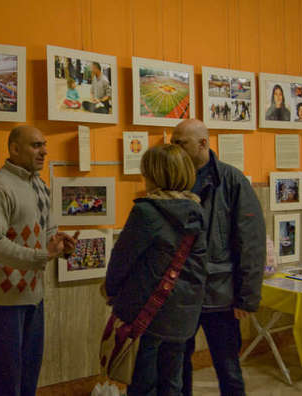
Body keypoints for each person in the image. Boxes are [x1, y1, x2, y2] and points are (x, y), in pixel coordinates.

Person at [0, 125, 78, 396]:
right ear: (14, 149)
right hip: (2, 300)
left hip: (34, 295)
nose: (44, 151)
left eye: (44, 145)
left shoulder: (40, 186)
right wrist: (41, 256)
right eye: (36, 145)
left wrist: (61, 246)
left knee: (29, 374)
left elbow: (46, 235)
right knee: (6, 379)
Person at [172, 119, 266, 396]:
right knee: (177, 368)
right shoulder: (172, 180)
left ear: (203, 143)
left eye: (181, 143)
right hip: (181, 295)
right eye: (173, 142)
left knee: (228, 368)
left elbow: (251, 241)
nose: (175, 148)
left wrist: (247, 297)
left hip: (221, 296)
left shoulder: (233, 181)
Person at [105, 144, 207, 395]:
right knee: (173, 381)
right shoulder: (196, 210)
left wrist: (111, 291)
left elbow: (122, 260)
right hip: (183, 313)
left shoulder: (146, 211)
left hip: (147, 311)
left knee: (142, 383)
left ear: (154, 175)